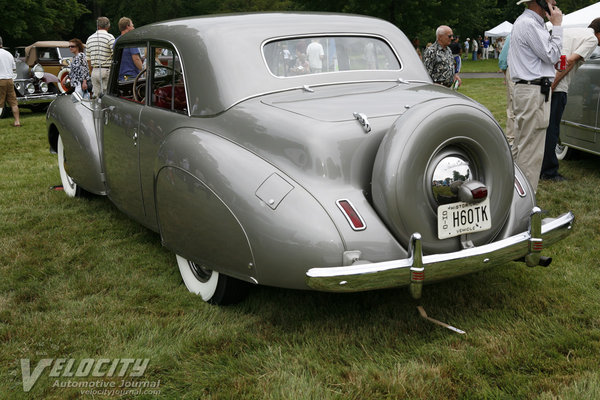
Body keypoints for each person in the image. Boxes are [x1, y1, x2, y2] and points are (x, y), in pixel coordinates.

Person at [508, 0, 563, 192]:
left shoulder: (529, 23)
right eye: (551, 1)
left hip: (532, 89)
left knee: (523, 145)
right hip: (533, 91)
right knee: (531, 150)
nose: (555, 4)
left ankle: (514, 196)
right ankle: (526, 205)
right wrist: (557, 26)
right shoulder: (529, 24)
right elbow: (552, 55)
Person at [540, 18, 600, 181]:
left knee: (542, 128)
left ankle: (539, 167)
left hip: (543, 78)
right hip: (557, 86)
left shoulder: (571, 31)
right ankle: (549, 172)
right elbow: (570, 61)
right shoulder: (592, 39)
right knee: (552, 129)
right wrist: (553, 85)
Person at [86, 17, 115, 96]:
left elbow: (88, 59)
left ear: (98, 26)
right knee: (107, 96)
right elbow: (115, 54)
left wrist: (92, 72)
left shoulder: (89, 38)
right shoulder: (110, 37)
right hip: (106, 70)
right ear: (108, 26)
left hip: (94, 71)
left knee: (96, 96)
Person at [498, 35, 515, 149]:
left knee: (514, 107)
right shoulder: (513, 35)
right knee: (514, 106)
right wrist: (505, 71)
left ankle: (512, 138)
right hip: (514, 71)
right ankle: (512, 139)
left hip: (515, 71)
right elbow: (503, 58)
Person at [0, 36, 21, 127]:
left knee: (0, 103)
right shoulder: (9, 54)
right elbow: (13, 68)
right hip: (10, 80)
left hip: (0, 80)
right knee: (13, 102)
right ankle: (17, 122)